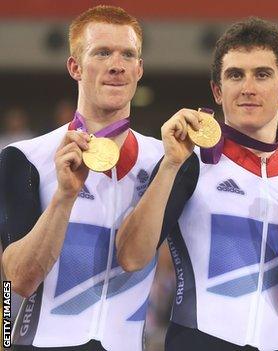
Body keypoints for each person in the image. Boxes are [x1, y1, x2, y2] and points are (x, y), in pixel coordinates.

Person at [115, 18, 278, 351]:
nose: (248, 87)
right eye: (235, 75)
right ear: (217, 90)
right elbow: (131, 258)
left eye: (262, 74)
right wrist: (169, 165)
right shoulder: (187, 161)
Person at [0, 6, 163, 351]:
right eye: (102, 53)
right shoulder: (25, 158)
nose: (116, 65)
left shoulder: (168, 161)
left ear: (139, 69)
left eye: (127, 55)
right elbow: (17, 281)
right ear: (75, 67)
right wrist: (63, 197)